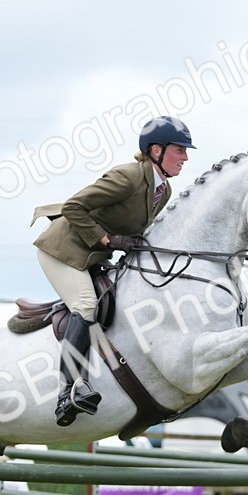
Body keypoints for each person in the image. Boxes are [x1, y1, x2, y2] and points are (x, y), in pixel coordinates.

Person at [32, 115, 194, 426]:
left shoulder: (164, 191)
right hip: (63, 250)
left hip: (93, 257)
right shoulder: (128, 177)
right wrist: (107, 239)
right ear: (156, 150)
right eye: (180, 150)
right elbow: (73, 207)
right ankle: (69, 391)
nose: (186, 157)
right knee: (86, 305)